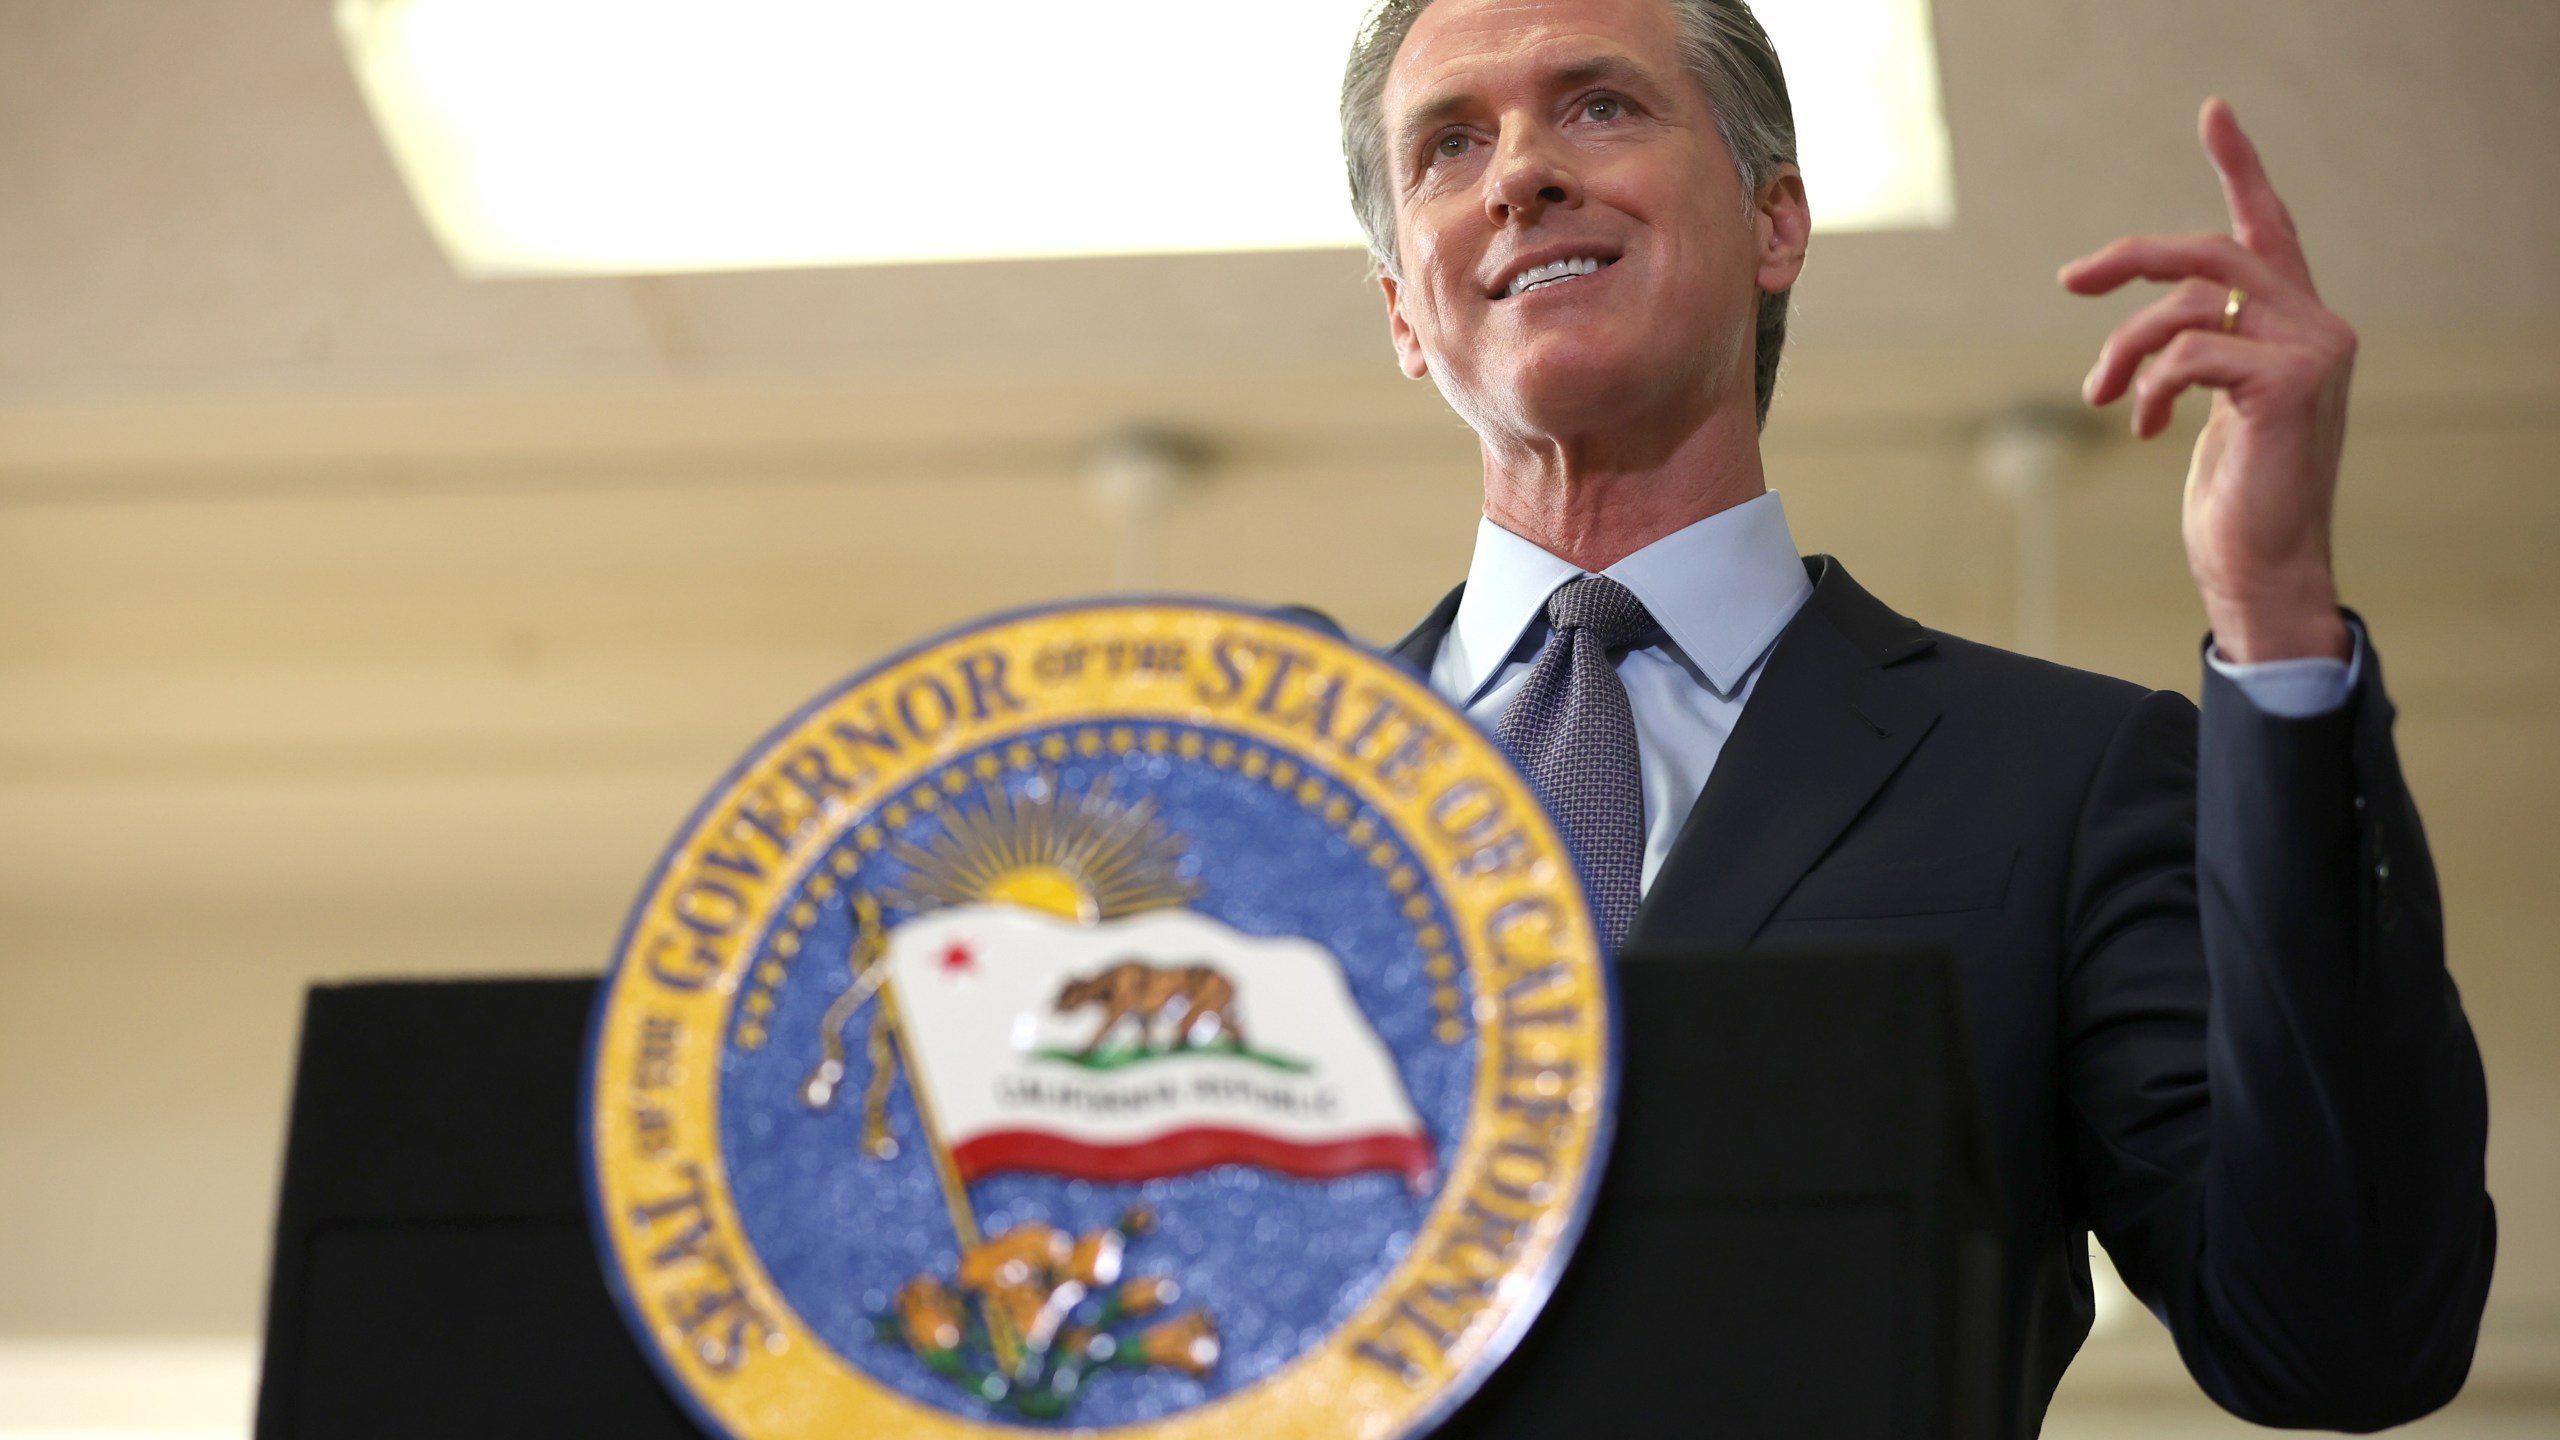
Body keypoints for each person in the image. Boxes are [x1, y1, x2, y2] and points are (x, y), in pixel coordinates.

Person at [1337, 0, 2494, 1432]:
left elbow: (2349, 1333)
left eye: (1599, 107)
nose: (1518, 171)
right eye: (1450, 144)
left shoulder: (2061, 782)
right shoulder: (1241, 809)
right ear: (1403, 308)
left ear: (1777, 224)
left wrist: (2278, 612)